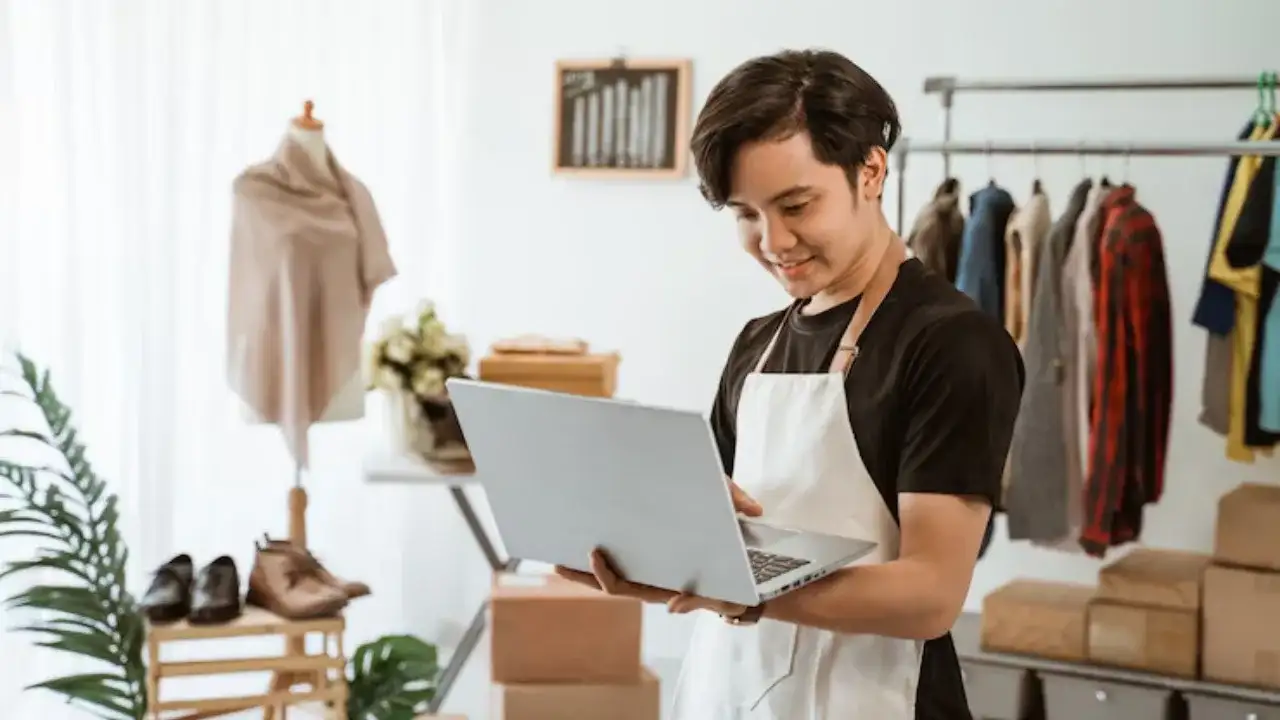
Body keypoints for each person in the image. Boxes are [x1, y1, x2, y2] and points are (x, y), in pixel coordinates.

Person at [555, 49, 1024, 719]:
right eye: (746, 215)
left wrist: (742, 592)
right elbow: (726, 545)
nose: (773, 241)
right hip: (731, 694)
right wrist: (664, 546)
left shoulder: (951, 344)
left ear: (870, 170)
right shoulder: (756, 343)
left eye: (796, 205)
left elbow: (930, 595)